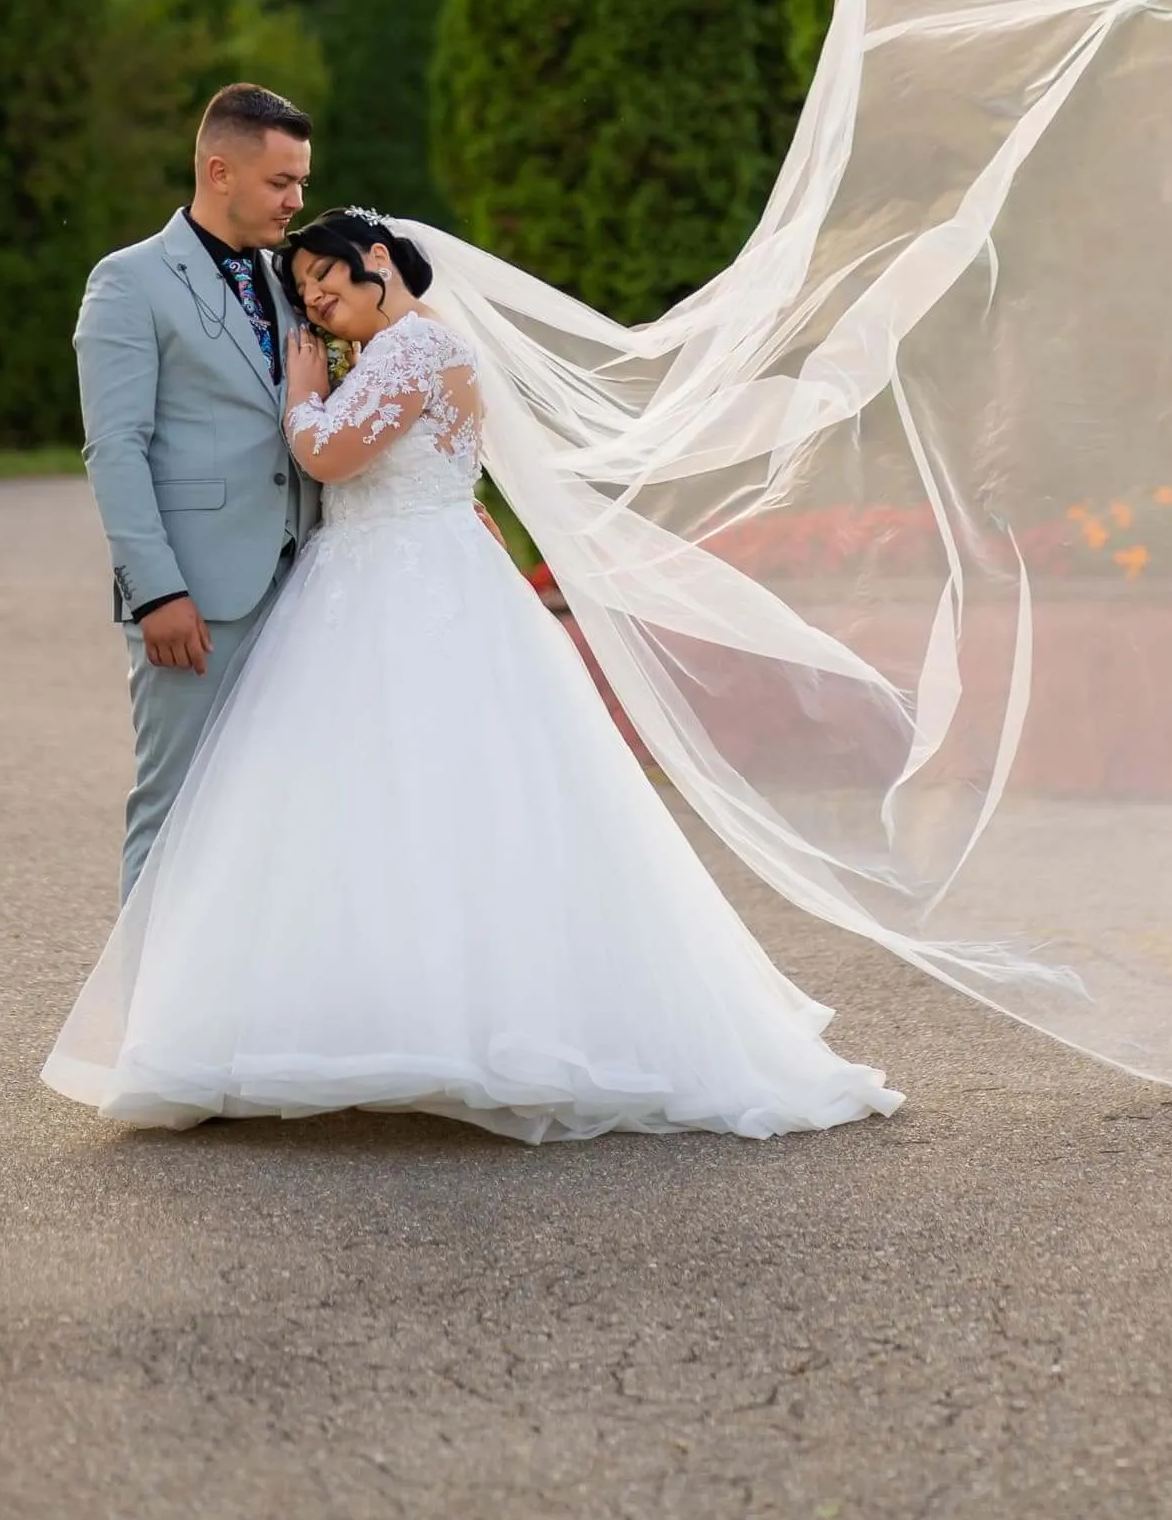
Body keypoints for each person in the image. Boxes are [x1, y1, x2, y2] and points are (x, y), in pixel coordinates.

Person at [44, 205, 901, 1141]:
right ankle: (374, 1016)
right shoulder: (394, 354)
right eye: (302, 295)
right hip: (381, 574)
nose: (316, 303)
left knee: (432, 798)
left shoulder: (414, 348)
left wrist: (299, 395)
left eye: (325, 279)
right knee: (373, 811)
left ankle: (449, 1029)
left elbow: (326, 452)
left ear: (377, 259)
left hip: (406, 590)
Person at [74, 83, 319, 902]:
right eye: (281, 182)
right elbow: (115, 449)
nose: (296, 201)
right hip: (196, 601)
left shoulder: (292, 281)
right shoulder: (129, 282)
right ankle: (142, 1020)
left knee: (282, 813)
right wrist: (157, 593)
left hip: (307, 590)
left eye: (301, 183)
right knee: (175, 810)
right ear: (219, 170)